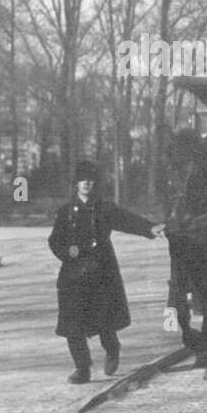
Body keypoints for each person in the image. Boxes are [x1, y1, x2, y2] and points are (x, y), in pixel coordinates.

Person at [48, 160, 160, 384]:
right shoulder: (66, 211)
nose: (86, 183)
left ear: (95, 183)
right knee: (73, 324)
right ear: (76, 183)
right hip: (74, 274)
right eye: (82, 179)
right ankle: (82, 368)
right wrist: (67, 252)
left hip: (101, 272)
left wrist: (149, 227)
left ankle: (112, 348)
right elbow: (54, 240)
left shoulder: (104, 208)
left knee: (104, 321)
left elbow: (126, 220)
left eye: (90, 179)